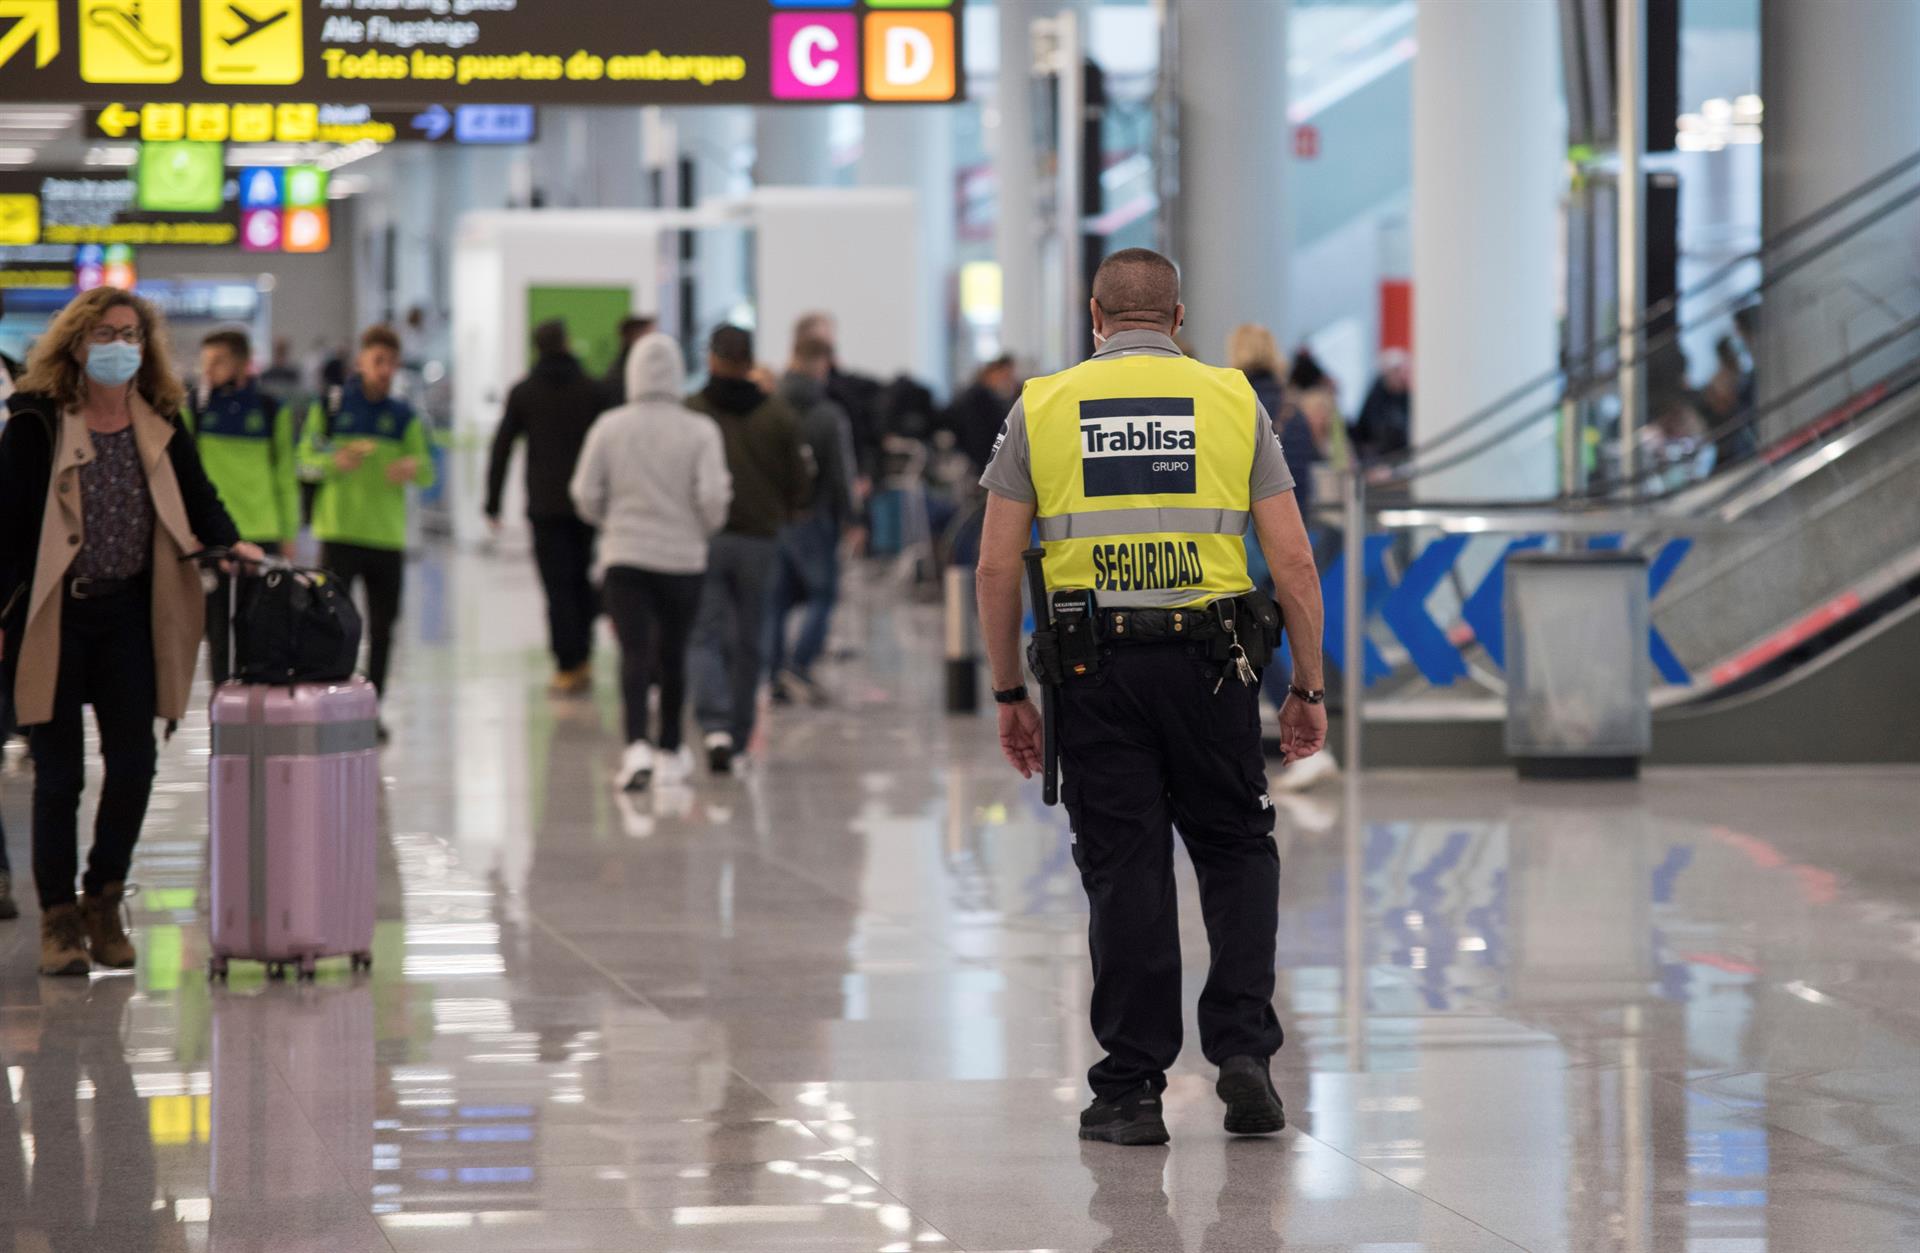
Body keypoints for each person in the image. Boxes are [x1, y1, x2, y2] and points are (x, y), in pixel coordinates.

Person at [976, 248, 1328, 1146]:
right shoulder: (1233, 400)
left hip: (1095, 672)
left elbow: (991, 566)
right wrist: (1310, 686)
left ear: (1095, 315)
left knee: (1125, 865)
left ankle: (1132, 1088)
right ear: (1178, 319)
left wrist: (1009, 689)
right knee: (1236, 847)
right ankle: (1244, 1052)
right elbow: (1291, 560)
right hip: (1215, 666)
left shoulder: (1041, 406)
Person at [0, 287, 262, 977]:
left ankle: (103, 896)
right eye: (106, 333)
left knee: (136, 764)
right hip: (54, 614)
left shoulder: (162, 418)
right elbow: (6, 528)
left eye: (132, 334)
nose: (121, 346)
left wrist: (233, 542)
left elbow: (198, 495)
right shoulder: (34, 420)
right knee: (59, 776)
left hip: (129, 617)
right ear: (76, 344)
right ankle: (58, 919)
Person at [570, 332, 732, 791]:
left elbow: (584, 493)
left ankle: (636, 747)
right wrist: (700, 530)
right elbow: (715, 497)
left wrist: (611, 524)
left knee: (634, 654)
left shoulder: (609, 426)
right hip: (683, 560)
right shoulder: (701, 430)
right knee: (674, 654)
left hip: (625, 558)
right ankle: (671, 749)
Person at [684, 325, 809, 775]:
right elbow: (800, 481)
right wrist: (786, 510)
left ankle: (713, 727)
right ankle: (737, 739)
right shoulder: (777, 415)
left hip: (706, 540)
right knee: (750, 640)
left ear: (712, 359)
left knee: (705, 635)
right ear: (750, 361)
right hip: (760, 540)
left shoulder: (693, 412)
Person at [298, 324, 434, 726]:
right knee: (332, 622)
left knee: (384, 629)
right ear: (361, 361)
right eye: (378, 360)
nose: (385, 370)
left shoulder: (404, 416)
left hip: (386, 538)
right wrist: (331, 463)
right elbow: (304, 459)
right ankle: (332, 702)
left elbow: (428, 470)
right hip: (339, 532)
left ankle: (371, 709)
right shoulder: (333, 408)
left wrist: (415, 466)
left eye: (392, 362)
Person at [485, 319, 609, 695]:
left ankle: (566, 663)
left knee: (556, 586)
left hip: (544, 506)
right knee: (581, 579)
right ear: (568, 343)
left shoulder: (524, 392)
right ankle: (584, 654)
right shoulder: (592, 390)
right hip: (587, 505)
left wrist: (492, 503)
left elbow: (502, 448)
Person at [185, 328, 299, 684]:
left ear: (241, 363)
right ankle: (225, 712)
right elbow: (184, 478)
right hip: (215, 538)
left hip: (263, 531)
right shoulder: (193, 410)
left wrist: (289, 533)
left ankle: (262, 711)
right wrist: (192, 531)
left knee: (264, 632)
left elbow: (284, 475)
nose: (209, 369)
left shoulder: (269, 410)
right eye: (206, 362)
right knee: (218, 634)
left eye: (218, 361)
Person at [767, 336, 859, 706]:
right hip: (815, 516)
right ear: (822, 364)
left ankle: (773, 673)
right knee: (824, 593)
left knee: (777, 599)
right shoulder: (827, 414)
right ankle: (800, 663)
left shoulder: (771, 408)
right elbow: (841, 472)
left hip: (775, 517)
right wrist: (854, 518)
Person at [945, 354, 1018, 476]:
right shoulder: (981, 396)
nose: (1006, 380)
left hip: (974, 449)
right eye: (1005, 376)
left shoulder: (977, 393)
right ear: (993, 373)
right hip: (980, 453)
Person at [1351, 347, 1412, 463]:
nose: (1400, 376)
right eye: (1396, 371)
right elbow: (1367, 428)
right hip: (1378, 456)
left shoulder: (1407, 395)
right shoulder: (1376, 395)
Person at [600, 315, 656, 407]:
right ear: (636, 336)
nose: (656, 341)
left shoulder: (617, 368)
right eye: (651, 335)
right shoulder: (621, 373)